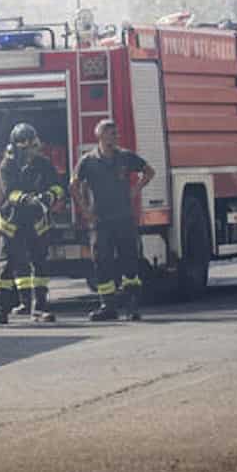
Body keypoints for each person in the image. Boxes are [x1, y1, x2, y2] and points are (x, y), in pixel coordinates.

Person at [71, 119, 156, 322]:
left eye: (116, 133)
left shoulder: (125, 157)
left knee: (130, 263)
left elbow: (149, 171)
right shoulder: (88, 160)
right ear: (100, 136)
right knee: (102, 263)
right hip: (101, 221)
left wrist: (136, 189)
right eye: (111, 133)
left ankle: (132, 306)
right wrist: (85, 211)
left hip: (124, 218)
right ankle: (107, 307)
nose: (115, 137)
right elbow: (73, 185)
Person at [0, 123, 65, 324]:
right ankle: (1, 310)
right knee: (6, 267)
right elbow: (9, 192)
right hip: (11, 222)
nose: (30, 151)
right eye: (26, 148)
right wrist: (28, 199)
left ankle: (39, 308)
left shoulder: (43, 163)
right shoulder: (7, 165)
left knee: (39, 264)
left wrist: (49, 196)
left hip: (36, 221)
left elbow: (59, 186)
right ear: (16, 147)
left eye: (33, 146)